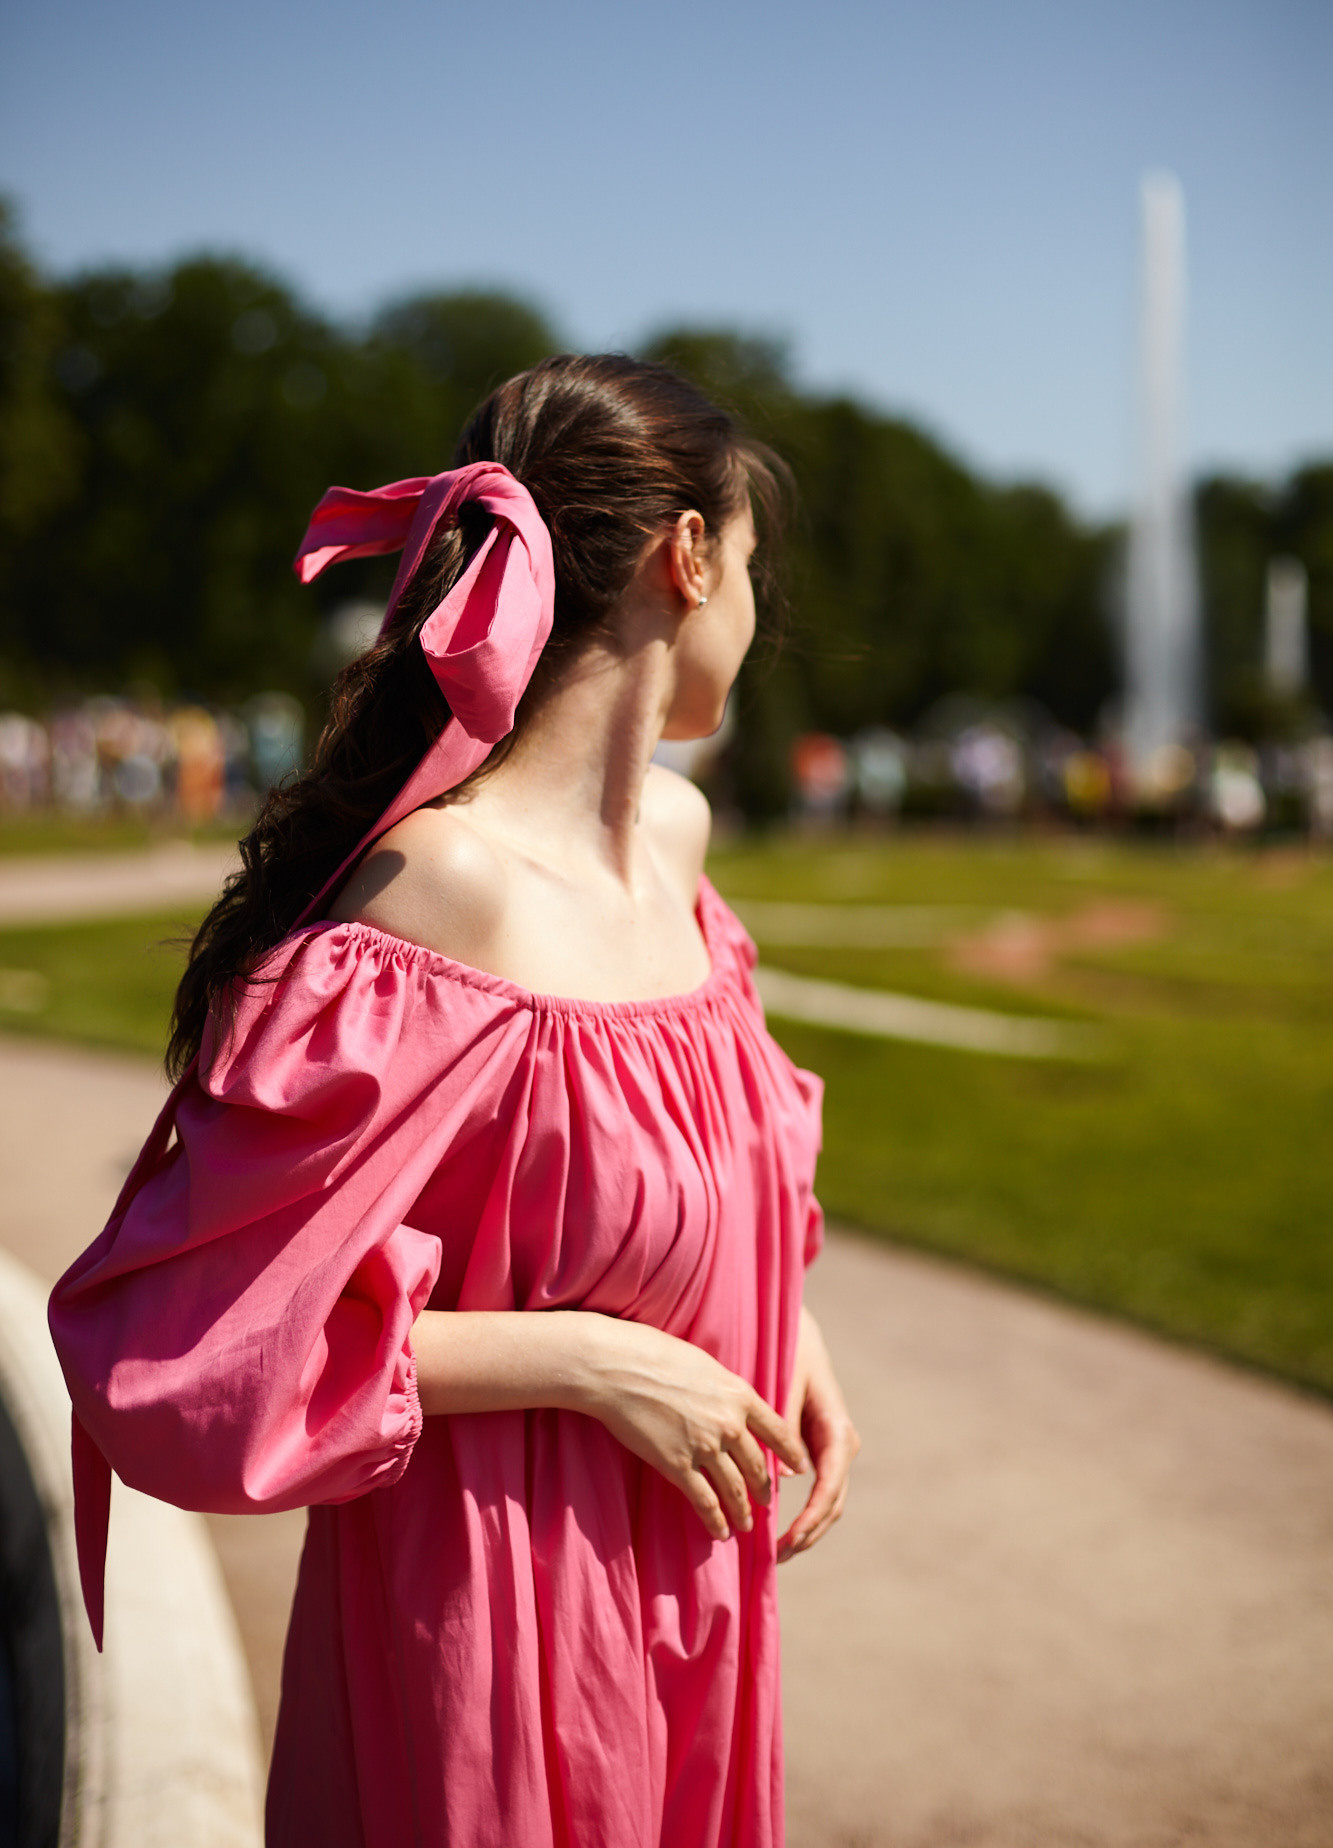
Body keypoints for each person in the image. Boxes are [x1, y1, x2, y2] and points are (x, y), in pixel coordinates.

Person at [49, 353, 859, 1848]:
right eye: (749, 561)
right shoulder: (443, 891)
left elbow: (710, 1146)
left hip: (690, 1580)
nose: (752, 608)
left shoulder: (676, 847)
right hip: (489, 1612)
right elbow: (197, 1340)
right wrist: (589, 1365)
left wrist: (776, 1314)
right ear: (688, 560)